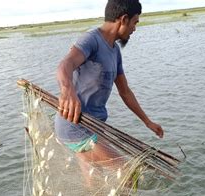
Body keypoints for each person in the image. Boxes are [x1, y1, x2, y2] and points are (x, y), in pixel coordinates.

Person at [54, 0, 163, 166]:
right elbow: (65, 65)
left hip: (96, 126)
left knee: (94, 182)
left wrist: (148, 122)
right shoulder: (91, 40)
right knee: (127, 171)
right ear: (124, 19)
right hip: (76, 125)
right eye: (135, 22)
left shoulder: (115, 51)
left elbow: (125, 92)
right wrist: (67, 90)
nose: (135, 29)